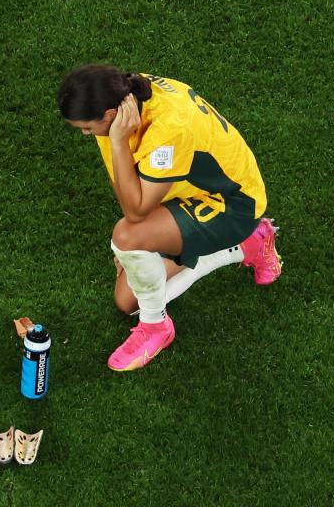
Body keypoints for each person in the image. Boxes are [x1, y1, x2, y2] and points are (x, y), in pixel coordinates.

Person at [57, 64, 282, 371]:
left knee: (126, 237)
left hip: (233, 204)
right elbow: (125, 188)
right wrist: (141, 246)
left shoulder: (163, 128)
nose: (85, 135)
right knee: (127, 301)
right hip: (186, 191)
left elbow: (135, 212)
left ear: (109, 116)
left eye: (86, 128)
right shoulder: (125, 99)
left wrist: (119, 143)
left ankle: (156, 327)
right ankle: (251, 244)